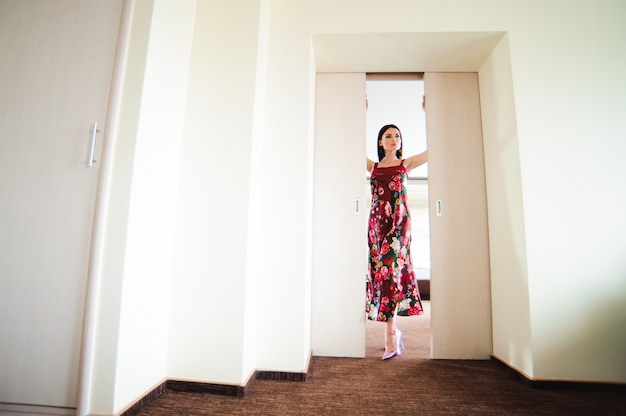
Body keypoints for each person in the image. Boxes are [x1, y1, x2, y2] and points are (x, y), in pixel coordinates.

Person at [366, 124, 428, 360]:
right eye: (388, 136)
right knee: (380, 275)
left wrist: (428, 112)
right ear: (380, 142)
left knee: (388, 271)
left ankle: (390, 335)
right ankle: (393, 331)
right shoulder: (373, 166)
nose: (394, 139)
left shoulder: (406, 164)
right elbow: (350, 147)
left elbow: (433, 150)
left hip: (399, 225)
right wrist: (359, 111)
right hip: (376, 226)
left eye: (397, 136)